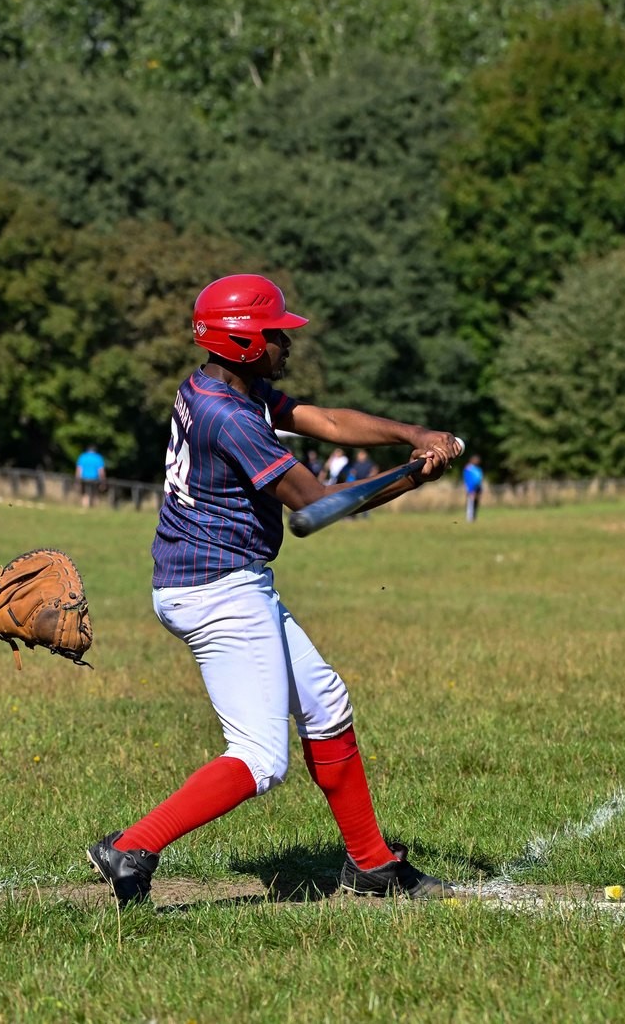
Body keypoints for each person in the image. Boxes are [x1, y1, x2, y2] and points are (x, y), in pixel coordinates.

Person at [85, 273, 461, 906]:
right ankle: (131, 847)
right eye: (277, 334)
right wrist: (413, 477)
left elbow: (330, 420)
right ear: (244, 341)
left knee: (326, 706)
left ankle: (371, 863)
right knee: (262, 757)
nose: (288, 343)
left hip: (222, 580)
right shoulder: (228, 416)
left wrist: (413, 434)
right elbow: (315, 509)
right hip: (216, 590)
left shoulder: (224, 386)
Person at [463, 454, 485, 523]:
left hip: (478, 488)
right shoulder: (468, 468)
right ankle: (469, 518)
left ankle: (474, 517)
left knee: (476, 503)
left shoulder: (478, 469)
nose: (477, 461)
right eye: (476, 460)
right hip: (471, 488)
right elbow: (469, 480)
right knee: (471, 503)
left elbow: (479, 479)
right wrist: (471, 490)